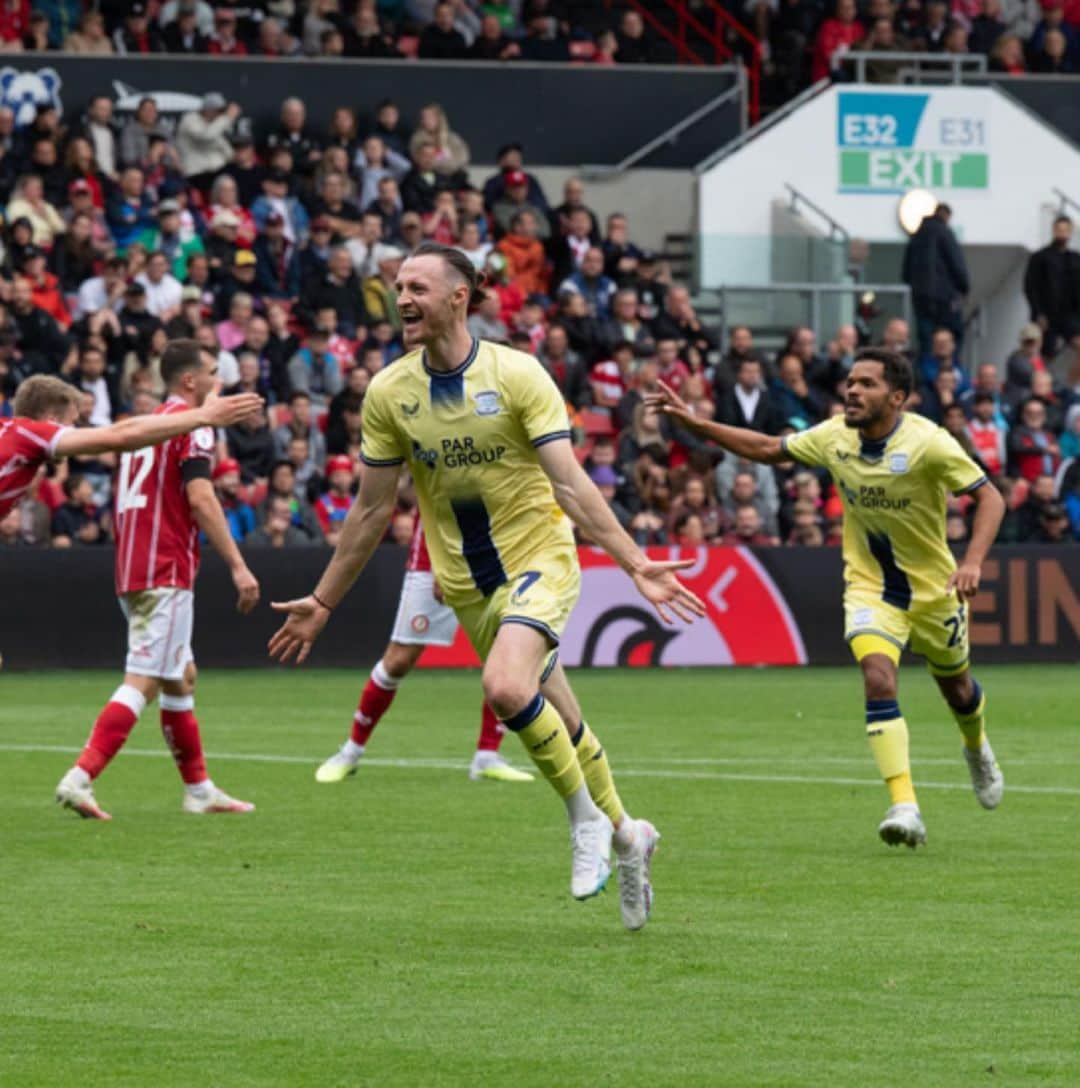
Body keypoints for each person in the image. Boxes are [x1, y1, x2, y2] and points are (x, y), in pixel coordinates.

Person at [269, 242, 705, 930]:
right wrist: (323, 600)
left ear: (458, 298)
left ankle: (584, 821)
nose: (401, 298)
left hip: (539, 556)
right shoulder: (389, 392)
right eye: (397, 287)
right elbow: (372, 509)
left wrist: (632, 560)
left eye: (416, 286)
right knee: (561, 716)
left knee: (505, 688)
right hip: (468, 584)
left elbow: (569, 481)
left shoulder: (518, 374)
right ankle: (629, 834)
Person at [647, 348, 1006, 850]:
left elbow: (991, 496)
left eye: (867, 384)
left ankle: (975, 746)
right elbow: (768, 447)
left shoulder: (929, 442)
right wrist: (696, 424)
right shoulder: (834, 435)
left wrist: (972, 562)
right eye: (851, 382)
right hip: (870, 587)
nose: (852, 391)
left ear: (896, 397)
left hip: (935, 591)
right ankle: (904, 804)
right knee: (879, 677)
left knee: (958, 690)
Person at [55, 341, 263, 821]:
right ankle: (80, 776)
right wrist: (238, 564)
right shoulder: (194, 426)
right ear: (190, 381)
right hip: (165, 568)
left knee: (180, 674)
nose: (218, 382)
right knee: (144, 679)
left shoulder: (142, 426)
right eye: (212, 373)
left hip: (133, 567)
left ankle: (198, 789)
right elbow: (201, 498)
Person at [316, 517, 535, 785]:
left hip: (490, 561)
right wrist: (444, 566)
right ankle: (350, 753)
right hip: (432, 564)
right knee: (398, 661)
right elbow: (429, 497)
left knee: (502, 658)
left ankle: (487, 756)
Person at [0, 373, 261, 525]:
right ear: (51, 420)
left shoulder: (9, 432)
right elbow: (120, 435)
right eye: (70, 424)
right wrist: (203, 416)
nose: (71, 431)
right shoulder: (31, 432)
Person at [902, 203, 970, 354]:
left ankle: (928, 373)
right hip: (945, 300)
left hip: (921, 299)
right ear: (946, 215)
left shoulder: (916, 235)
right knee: (952, 339)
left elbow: (906, 272)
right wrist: (964, 289)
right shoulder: (945, 232)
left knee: (926, 343)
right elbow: (957, 264)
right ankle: (949, 372)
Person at [1023, 215, 1080, 358]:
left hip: (1070, 315)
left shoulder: (1075, 258)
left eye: (1066, 230)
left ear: (1071, 232)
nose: (1063, 234)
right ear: (1053, 231)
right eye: (1059, 230)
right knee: (1047, 355)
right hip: (1047, 317)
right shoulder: (1040, 257)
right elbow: (1030, 287)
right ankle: (1044, 380)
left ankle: (1068, 380)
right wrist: (1038, 313)